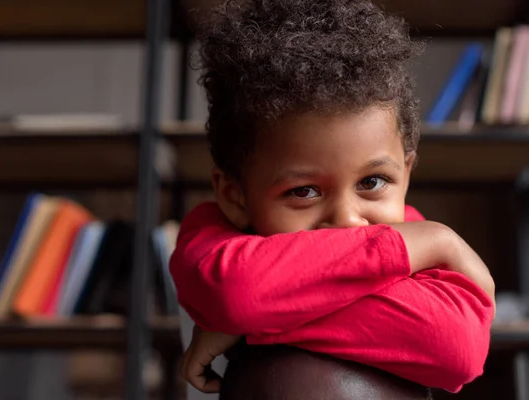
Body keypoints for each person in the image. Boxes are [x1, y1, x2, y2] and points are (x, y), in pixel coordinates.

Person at [170, 0, 496, 398]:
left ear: (406, 172)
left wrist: (259, 319)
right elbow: (238, 295)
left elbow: (458, 350)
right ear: (235, 195)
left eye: (373, 181)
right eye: (303, 191)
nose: (347, 221)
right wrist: (435, 242)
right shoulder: (210, 234)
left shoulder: (408, 224)